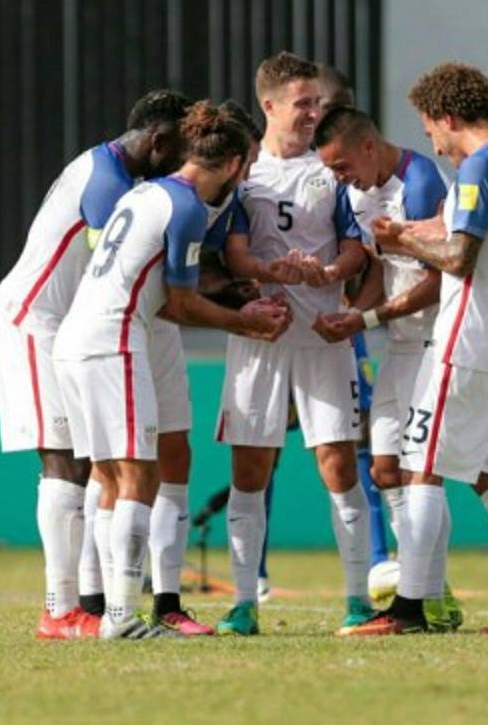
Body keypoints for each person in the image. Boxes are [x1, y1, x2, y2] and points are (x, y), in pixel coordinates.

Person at [53, 100, 289, 639]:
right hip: (114, 341)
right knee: (141, 474)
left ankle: (113, 610)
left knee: (113, 477)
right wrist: (244, 322)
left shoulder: (145, 192)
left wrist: (233, 304)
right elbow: (179, 305)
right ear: (232, 163)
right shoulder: (184, 206)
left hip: (77, 339)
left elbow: (161, 292)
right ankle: (119, 616)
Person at [344, 62, 488, 635]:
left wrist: (404, 240)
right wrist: (413, 231)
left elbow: (460, 258)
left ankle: (409, 609)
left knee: (420, 469)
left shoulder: (476, 167)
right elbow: (475, 238)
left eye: (429, 127)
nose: (430, 141)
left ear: (448, 116)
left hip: (464, 341)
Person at [0, 89, 191, 639]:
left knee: (82, 463)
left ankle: (79, 605)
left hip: (58, 326)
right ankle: (59, 609)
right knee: (64, 464)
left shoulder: (112, 169)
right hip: (32, 320)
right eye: (179, 150)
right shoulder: (107, 181)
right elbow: (114, 267)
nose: (182, 164)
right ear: (158, 139)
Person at [213, 51, 370, 636]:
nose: (314, 113)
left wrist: (327, 276)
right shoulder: (244, 173)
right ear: (270, 105)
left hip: (323, 335)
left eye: (318, 103)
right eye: (303, 103)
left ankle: (358, 599)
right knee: (250, 469)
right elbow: (232, 252)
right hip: (260, 335)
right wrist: (269, 275)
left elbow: (355, 249)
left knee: (338, 464)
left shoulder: (330, 170)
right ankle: (243, 602)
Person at [310, 106, 462, 628]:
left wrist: (368, 316)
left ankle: (430, 596)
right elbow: (380, 267)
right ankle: (430, 586)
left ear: (369, 147)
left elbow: (441, 278)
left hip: (434, 344)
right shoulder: (360, 193)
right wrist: (354, 314)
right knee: (384, 468)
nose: (340, 178)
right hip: (397, 345)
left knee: (424, 472)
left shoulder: (419, 184)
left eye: (343, 165)